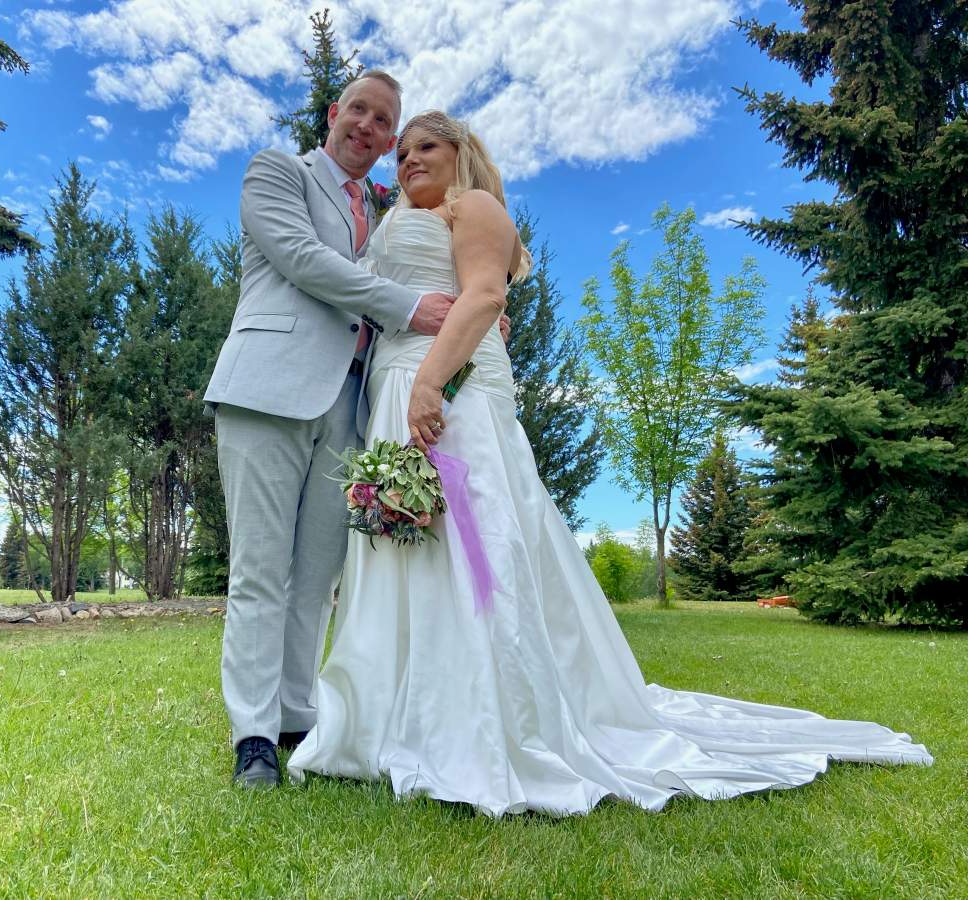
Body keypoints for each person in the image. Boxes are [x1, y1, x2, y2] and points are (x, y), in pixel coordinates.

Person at [287, 110, 933, 816]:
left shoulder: (473, 206)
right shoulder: (399, 218)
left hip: (448, 392)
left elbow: (486, 295)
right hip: (398, 386)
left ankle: (490, 718)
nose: (409, 158)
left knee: (472, 548)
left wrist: (430, 383)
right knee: (409, 553)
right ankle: (394, 716)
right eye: (403, 150)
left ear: (462, 153)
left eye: (427, 146)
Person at [203, 72, 462, 789]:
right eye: (361, 111)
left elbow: (429, 273)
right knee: (259, 572)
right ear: (333, 113)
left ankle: (294, 712)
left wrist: (474, 316)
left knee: (317, 577)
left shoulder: (380, 211)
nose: (370, 129)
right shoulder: (276, 172)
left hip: (349, 408)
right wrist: (414, 307)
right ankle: (252, 735)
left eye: (385, 122)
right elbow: (302, 261)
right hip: (266, 390)